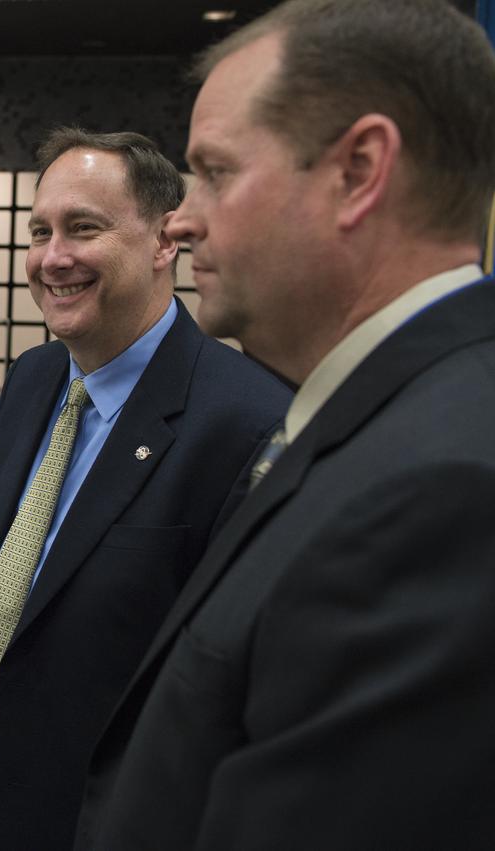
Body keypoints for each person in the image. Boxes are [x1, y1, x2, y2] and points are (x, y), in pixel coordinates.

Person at [75, 2, 495, 848]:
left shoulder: (441, 495)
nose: (181, 218)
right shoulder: (386, 420)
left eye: (216, 172)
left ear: (359, 170)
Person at [0, 128, 291, 849]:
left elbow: (232, 687)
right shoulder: (31, 377)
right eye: (39, 231)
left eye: (83, 228)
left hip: (103, 815)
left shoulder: (245, 421)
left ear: (162, 242)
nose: (52, 257)